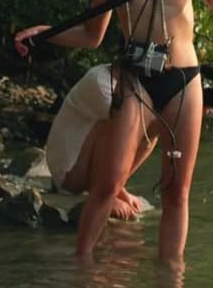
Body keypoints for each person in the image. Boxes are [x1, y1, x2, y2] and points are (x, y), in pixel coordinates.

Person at [15, 0, 213, 267]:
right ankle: (81, 266)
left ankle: (171, 273)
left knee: (176, 190)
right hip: (136, 82)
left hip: (184, 81)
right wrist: (44, 34)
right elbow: (90, 35)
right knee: (107, 185)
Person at [45, 64, 156, 220]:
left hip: (81, 162)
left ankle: (115, 187)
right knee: (122, 126)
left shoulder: (131, 87)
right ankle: (102, 193)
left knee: (151, 129)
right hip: (68, 172)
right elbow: (126, 132)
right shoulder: (100, 81)